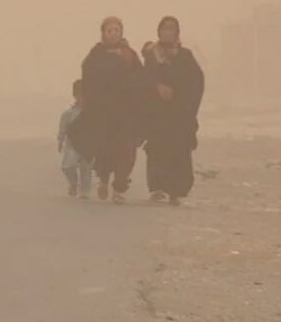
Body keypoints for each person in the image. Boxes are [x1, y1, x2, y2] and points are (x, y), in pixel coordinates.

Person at [74, 16, 143, 203]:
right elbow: (87, 77)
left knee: (127, 148)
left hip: (126, 111)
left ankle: (119, 188)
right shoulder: (96, 54)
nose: (113, 33)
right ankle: (103, 179)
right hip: (103, 110)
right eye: (109, 30)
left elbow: (140, 78)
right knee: (105, 148)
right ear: (103, 33)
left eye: (117, 30)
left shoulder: (129, 54)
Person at [142, 16, 206, 206]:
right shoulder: (152, 55)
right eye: (164, 29)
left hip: (179, 113)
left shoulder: (185, 56)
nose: (167, 32)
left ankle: (176, 191)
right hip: (157, 113)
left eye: (171, 29)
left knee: (178, 150)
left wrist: (179, 95)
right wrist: (157, 88)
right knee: (157, 149)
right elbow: (144, 78)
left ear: (177, 33)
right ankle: (157, 188)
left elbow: (196, 82)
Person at [58, 79, 94, 199]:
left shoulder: (93, 112)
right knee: (67, 166)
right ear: (75, 95)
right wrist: (60, 140)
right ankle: (73, 183)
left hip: (88, 144)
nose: (82, 98)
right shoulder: (68, 113)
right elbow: (63, 128)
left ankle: (85, 191)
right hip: (72, 144)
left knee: (86, 168)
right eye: (79, 95)